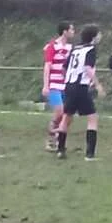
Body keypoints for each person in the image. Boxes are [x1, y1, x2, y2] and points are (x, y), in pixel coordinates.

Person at [56, 25, 108, 161]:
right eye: (99, 34)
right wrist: (98, 85)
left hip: (69, 86)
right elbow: (88, 68)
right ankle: (90, 154)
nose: (100, 36)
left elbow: (64, 68)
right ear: (93, 37)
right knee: (92, 118)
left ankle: (60, 150)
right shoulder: (91, 49)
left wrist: (68, 80)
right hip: (81, 87)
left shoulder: (75, 48)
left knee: (66, 117)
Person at [42, 23, 73, 151]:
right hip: (54, 85)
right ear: (65, 31)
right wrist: (46, 85)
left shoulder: (71, 48)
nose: (73, 32)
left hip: (67, 85)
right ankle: (51, 137)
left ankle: (59, 140)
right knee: (59, 111)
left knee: (66, 115)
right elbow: (47, 66)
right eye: (71, 29)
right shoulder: (52, 46)